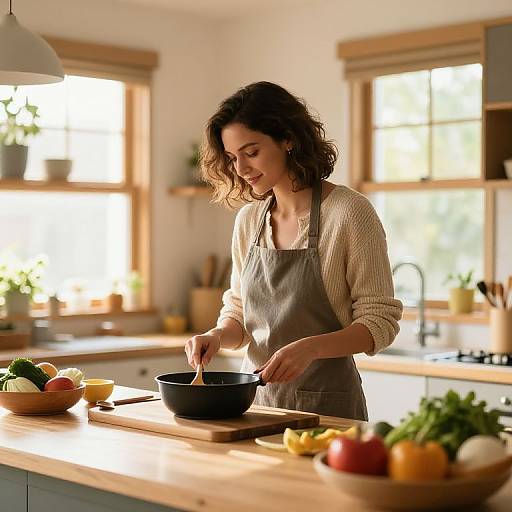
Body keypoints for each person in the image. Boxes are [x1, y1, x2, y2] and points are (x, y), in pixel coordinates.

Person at [184, 81, 403, 420]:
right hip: (254, 408)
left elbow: (379, 322)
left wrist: (312, 348)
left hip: (329, 412)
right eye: (232, 157)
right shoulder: (249, 220)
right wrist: (216, 335)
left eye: (251, 152)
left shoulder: (349, 213)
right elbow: (241, 314)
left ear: (288, 139)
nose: (240, 169)